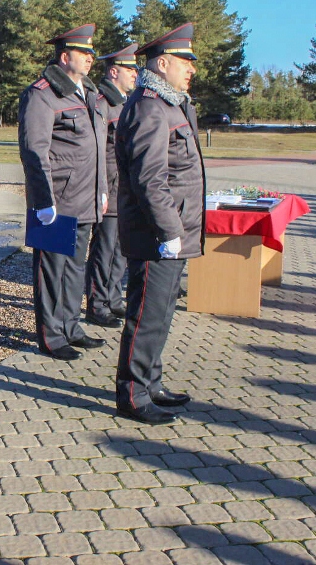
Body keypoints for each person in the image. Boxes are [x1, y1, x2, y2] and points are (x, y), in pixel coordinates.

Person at [114, 23, 205, 425]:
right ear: (162, 63)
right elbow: (149, 179)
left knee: (162, 312)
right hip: (156, 233)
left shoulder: (173, 104)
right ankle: (132, 394)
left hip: (173, 230)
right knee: (146, 315)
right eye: (185, 61)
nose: (192, 69)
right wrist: (169, 230)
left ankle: (151, 382)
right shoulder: (151, 107)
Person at [18, 24, 108, 362]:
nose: (90, 59)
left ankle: (71, 325)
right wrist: (43, 200)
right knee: (52, 271)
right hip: (56, 201)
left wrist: (102, 191)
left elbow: (97, 148)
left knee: (75, 268)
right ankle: (51, 335)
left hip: (85, 197)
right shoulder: (43, 94)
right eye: (84, 53)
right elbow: (33, 150)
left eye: (91, 53)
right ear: (65, 56)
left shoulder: (89, 93)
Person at [84, 44, 139, 328]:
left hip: (125, 188)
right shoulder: (102, 102)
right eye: (130, 69)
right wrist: (101, 189)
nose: (135, 74)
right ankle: (97, 304)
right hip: (110, 187)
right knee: (104, 250)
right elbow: (96, 150)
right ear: (114, 71)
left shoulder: (125, 102)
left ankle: (113, 298)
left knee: (120, 249)